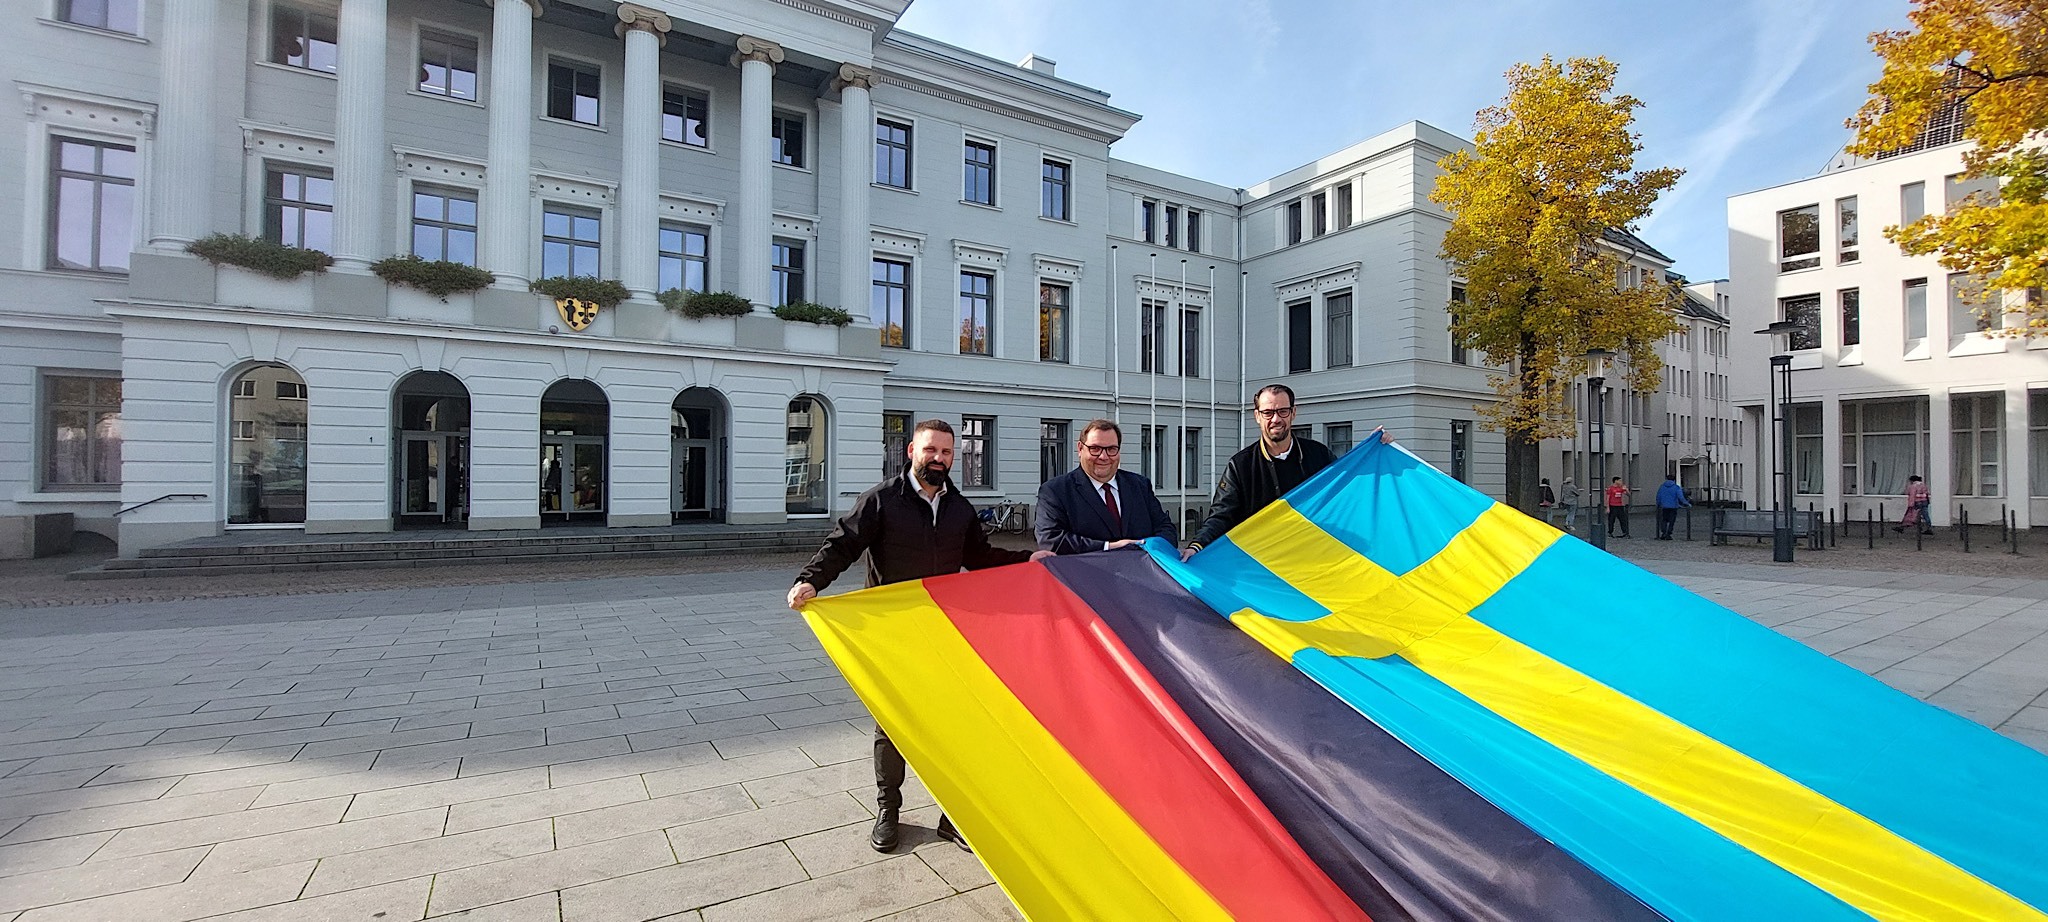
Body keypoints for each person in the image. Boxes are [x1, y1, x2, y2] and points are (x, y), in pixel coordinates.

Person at [786, 419, 1044, 855]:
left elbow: (979, 558)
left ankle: (952, 816)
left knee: (952, 726)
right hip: (893, 634)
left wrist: (1028, 559)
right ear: (911, 451)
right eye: (931, 450)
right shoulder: (882, 500)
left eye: (946, 452)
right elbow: (843, 544)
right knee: (892, 725)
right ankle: (889, 811)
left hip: (943, 632)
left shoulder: (959, 507)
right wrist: (811, 581)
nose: (939, 459)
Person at [1182, 384, 1388, 559]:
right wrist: (1196, 546)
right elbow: (1221, 516)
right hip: (1265, 563)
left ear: (1293, 413)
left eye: (1282, 411)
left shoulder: (1318, 455)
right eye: (1268, 413)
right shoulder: (1241, 465)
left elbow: (1348, 490)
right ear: (1257, 416)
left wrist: (1373, 453)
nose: (1275, 419)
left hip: (1313, 556)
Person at [1036, 419, 1177, 554]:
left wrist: (1149, 547)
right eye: (1095, 448)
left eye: (1111, 449)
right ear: (1080, 449)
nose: (1103, 456)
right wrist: (1108, 547)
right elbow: (1051, 541)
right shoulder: (1055, 491)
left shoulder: (1139, 485)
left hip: (1141, 574)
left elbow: (1166, 529)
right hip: (1085, 576)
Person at [1655, 475, 1691, 540]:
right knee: (1672, 521)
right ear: (1674, 480)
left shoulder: (1662, 487)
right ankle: (1668, 534)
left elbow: (1658, 497)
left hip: (1664, 506)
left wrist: (1658, 504)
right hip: (1673, 506)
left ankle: (1663, 533)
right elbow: (1681, 497)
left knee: (1664, 520)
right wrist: (1686, 503)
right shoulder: (1676, 487)